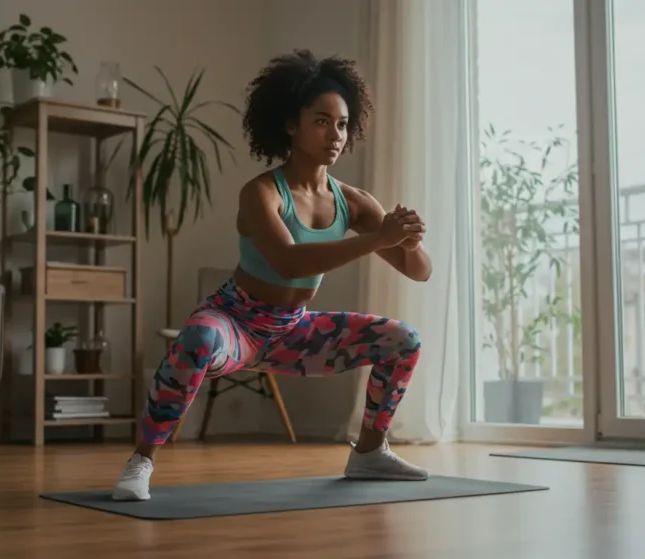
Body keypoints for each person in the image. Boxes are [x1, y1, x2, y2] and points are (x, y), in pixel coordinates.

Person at [112, 49, 432, 501]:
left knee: (404, 340)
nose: (334, 134)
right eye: (321, 121)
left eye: (342, 123)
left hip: (293, 332)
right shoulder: (261, 192)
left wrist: (410, 242)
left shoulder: (354, 201)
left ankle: (370, 451)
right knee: (196, 341)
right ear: (290, 125)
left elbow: (419, 272)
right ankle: (141, 460)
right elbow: (288, 261)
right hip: (236, 323)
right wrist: (380, 238)